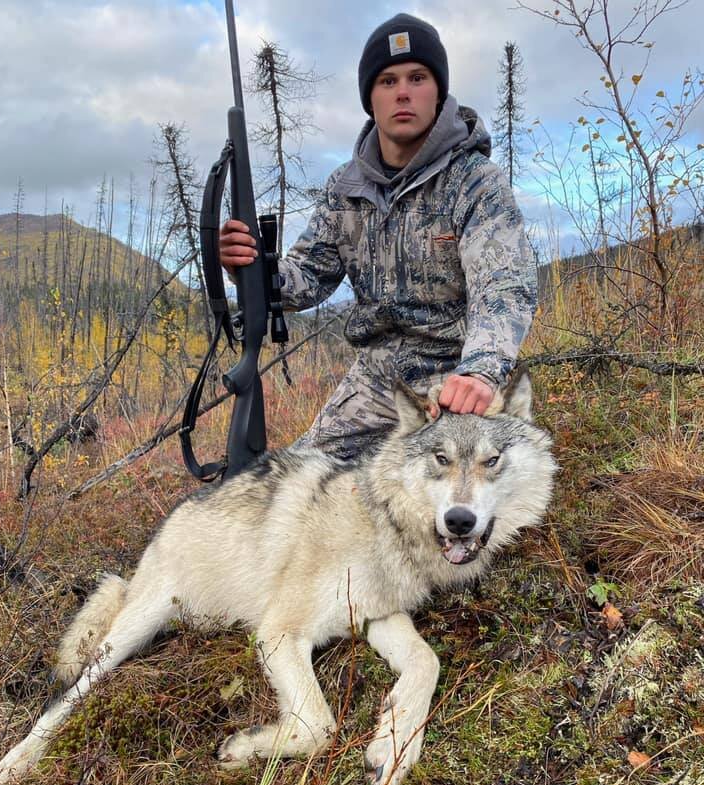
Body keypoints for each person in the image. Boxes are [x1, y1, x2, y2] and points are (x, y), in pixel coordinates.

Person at [219, 13, 537, 457]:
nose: (403, 91)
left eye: (418, 77)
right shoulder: (344, 187)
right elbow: (309, 277)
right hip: (376, 380)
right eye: (387, 81)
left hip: (456, 381)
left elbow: (504, 285)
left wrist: (481, 372)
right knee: (299, 483)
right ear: (371, 98)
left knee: (444, 498)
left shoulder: (475, 181)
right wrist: (250, 265)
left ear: (439, 92)